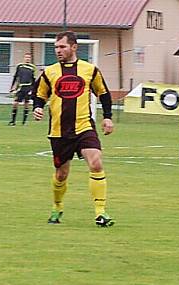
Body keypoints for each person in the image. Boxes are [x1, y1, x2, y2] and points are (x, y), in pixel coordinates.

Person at [32, 31, 115, 227]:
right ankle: (57, 206)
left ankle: (100, 212)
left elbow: (104, 94)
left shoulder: (89, 70)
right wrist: (37, 107)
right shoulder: (50, 72)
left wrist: (108, 118)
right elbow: (39, 94)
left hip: (84, 127)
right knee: (61, 174)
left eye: (62, 47)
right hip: (59, 132)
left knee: (95, 163)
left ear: (74, 47)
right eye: (56, 47)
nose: (58, 50)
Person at [9, 52, 37, 126]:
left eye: (29, 57)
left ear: (30, 59)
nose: (27, 59)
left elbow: (34, 80)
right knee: (15, 103)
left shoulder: (33, 68)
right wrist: (12, 87)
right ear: (24, 58)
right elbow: (15, 77)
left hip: (28, 87)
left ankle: (24, 122)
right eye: (26, 57)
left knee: (26, 104)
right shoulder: (20, 66)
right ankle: (13, 121)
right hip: (20, 87)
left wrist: (33, 90)